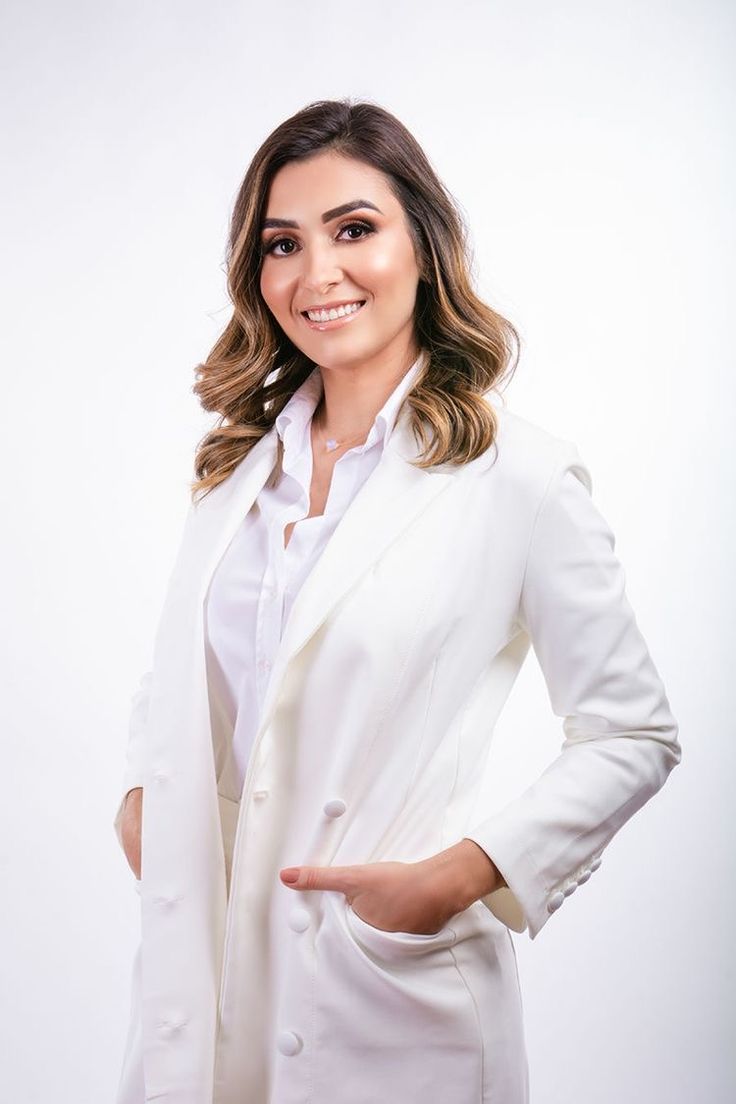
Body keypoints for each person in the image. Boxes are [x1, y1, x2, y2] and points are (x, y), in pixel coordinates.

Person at [112, 98, 682, 1104]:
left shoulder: (521, 480)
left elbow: (631, 731)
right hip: (205, 964)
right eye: (281, 243)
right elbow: (189, 671)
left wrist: (464, 873)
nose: (315, 273)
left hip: (382, 993)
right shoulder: (236, 475)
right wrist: (139, 794)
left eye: (355, 229)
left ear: (424, 245)